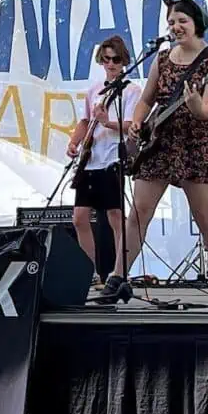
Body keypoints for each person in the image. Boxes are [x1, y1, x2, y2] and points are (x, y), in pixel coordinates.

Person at [99, 0, 208, 303]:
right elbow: (147, 99)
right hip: (159, 142)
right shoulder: (162, 58)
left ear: (197, 24)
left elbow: (206, 110)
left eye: (182, 21)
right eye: (171, 22)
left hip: (195, 141)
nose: (176, 26)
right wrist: (137, 121)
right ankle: (117, 278)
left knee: (204, 215)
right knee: (138, 212)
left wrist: (194, 104)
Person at [66, 35, 141, 286]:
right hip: (90, 159)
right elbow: (86, 121)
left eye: (116, 59)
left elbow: (131, 125)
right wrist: (74, 142)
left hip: (112, 159)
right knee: (79, 217)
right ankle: (91, 272)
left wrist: (107, 120)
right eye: (106, 59)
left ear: (124, 61)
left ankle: (120, 271)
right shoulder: (94, 90)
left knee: (115, 216)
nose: (111, 64)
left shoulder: (131, 90)